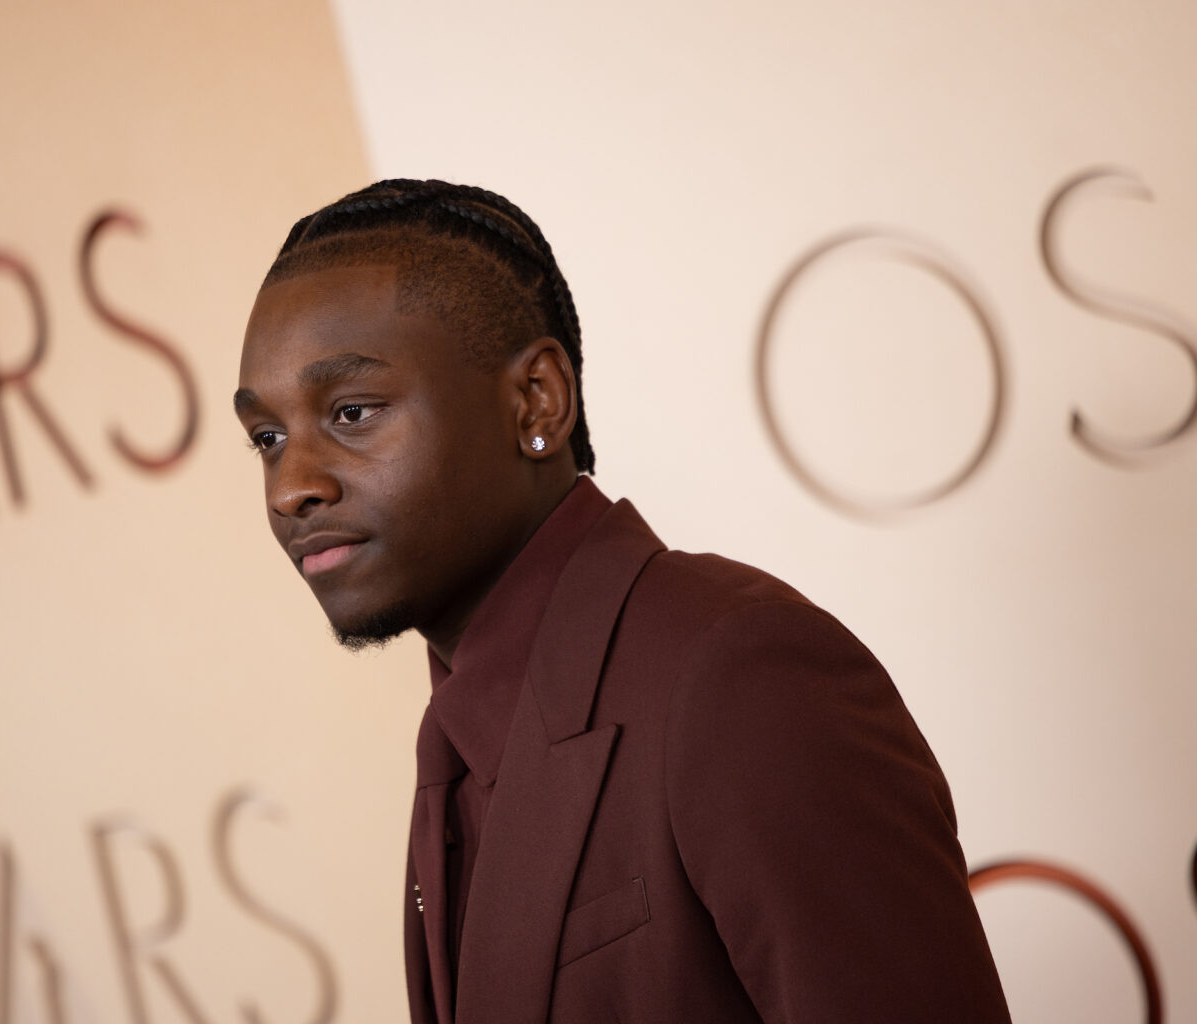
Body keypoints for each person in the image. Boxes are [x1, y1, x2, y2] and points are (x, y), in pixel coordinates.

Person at [232, 179, 1012, 1024]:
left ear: (537, 401)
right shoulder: (452, 747)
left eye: (352, 412)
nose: (291, 488)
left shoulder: (739, 673)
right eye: (267, 438)